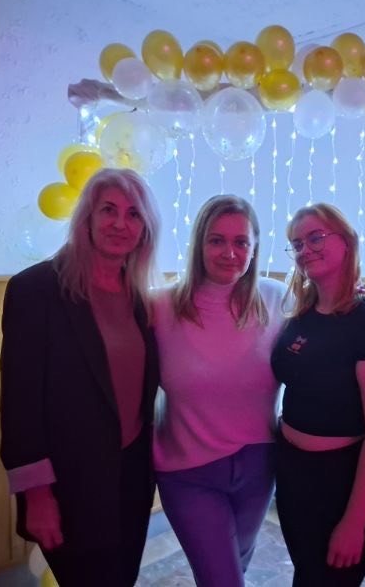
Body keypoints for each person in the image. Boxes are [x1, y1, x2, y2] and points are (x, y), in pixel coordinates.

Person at [0, 168, 162, 586]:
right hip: (67, 488)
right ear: (87, 218)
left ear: (145, 229)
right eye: (108, 210)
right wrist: (37, 495)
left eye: (133, 214)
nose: (120, 223)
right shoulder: (36, 289)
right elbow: (20, 403)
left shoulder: (140, 297)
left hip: (129, 483)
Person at [152, 195, 287, 587]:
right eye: (217, 240)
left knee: (234, 569)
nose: (229, 253)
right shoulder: (159, 306)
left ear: (255, 248)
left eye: (241, 242)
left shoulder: (278, 298)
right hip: (188, 472)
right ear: (199, 244)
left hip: (259, 468)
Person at [270, 203, 365, 586]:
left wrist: (355, 522)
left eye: (316, 238)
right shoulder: (300, 315)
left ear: (346, 242)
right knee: (306, 574)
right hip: (292, 473)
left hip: (340, 482)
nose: (305, 250)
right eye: (297, 244)